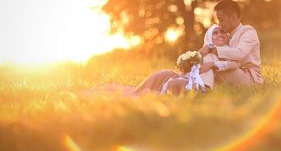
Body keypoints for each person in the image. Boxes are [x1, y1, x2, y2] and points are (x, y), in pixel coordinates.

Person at [82, 24, 238, 97]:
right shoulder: (204, 52)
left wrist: (210, 63)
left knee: (171, 88)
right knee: (135, 92)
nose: (220, 35)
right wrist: (206, 51)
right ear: (210, 38)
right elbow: (187, 66)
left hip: (189, 85)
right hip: (174, 76)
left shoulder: (231, 54)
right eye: (215, 33)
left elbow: (219, 67)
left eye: (223, 32)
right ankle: (103, 92)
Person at [199, 0, 264, 86]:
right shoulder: (227, 36)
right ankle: (190, 78)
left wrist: (211, 49)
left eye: (221, 20)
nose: (219, 25)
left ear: (233, 17)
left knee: (215, 65)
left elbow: (239, 53)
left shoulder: (248, 32)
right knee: (211, 62)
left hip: (250, 79)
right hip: (234, 72)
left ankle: (202, 86)